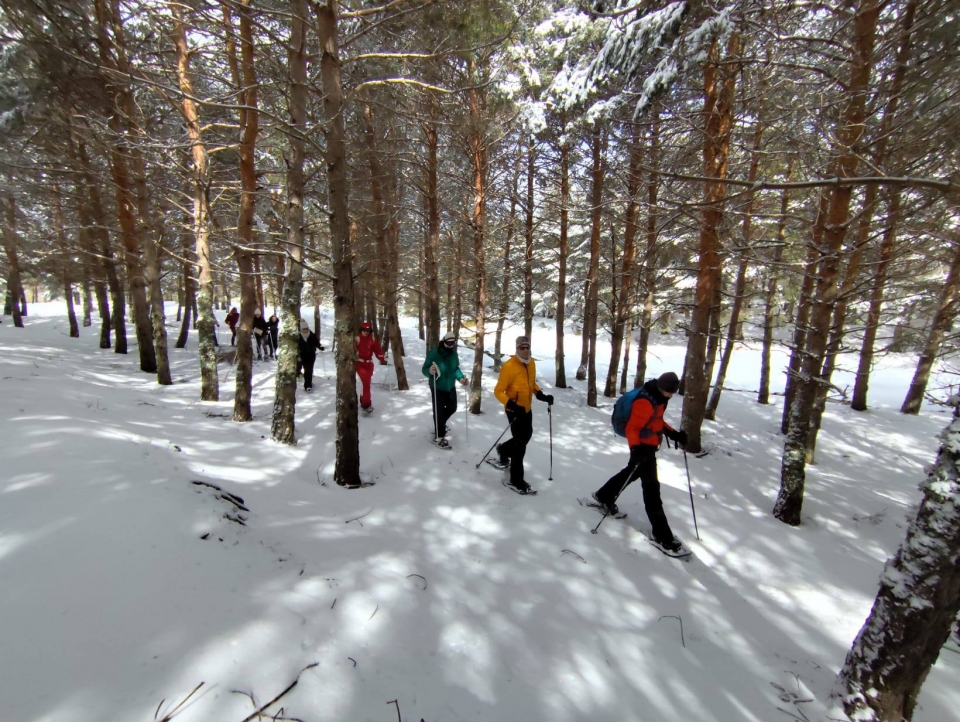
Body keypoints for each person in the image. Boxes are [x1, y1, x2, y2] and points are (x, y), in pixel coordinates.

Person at [591, 371, 688, 554]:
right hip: (643, 448)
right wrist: (636, 449)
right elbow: (633, 427)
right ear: (663, 388)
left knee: (631, 473)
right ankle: (662, 536)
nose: (672, 395)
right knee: (652, 491)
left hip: (648, 447)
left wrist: (673, 434)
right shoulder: (645, 400)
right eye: (671, 392)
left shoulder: (658, 397)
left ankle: (604, 495)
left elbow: (656, 420)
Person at [493, 336, 553, 494]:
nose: (525, 350)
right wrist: (511, 404)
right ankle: (516, 480)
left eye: (527, 347)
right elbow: (498, 391)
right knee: (520, 446)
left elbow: (530, 383)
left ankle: (504, 450)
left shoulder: (531, 363)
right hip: (513, 410)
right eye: (522, 348)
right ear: (517, 349)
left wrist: (540, 394)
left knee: (527, 435)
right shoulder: (509, 366)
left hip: (526, 408)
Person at [422, 330, 469, 449]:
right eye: (449, 343)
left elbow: (455, 369)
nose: (451, 345)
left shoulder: (454, 354)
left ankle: (440, 424)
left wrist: (461, 378)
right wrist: (429, 371)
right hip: (437, 386)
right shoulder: (434, 353)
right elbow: (424, 368)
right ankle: (439, 436)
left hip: (450, 386)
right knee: (438, 411)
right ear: (443, 341)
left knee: (452, 407)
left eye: (453, 343)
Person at [356, 321, 386, 412]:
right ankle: (366, 405)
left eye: (368, 330)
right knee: (366, 384)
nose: (366, 332)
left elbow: (378, 351)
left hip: (369, 364)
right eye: (364, 330)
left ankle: (363, 401)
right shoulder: (357, 339)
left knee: (366, 384)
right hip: (360, 363)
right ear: (361, 330)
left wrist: (382, 357)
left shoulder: (372, 340)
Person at [297, 320, 325, 391]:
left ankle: (308, 385)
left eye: (306, 328)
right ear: (301, 329)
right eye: (304, 329)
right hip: (302, 354)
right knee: (306, 368)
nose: (305, 330)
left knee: (309, 369)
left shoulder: (312, 335)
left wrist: (320, 347)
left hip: (311, 354)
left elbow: (316, 342)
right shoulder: (298, 336)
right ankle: (302, 379)